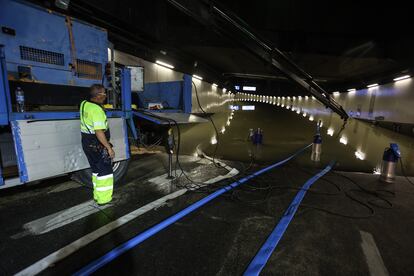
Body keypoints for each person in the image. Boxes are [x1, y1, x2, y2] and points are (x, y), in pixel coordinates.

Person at [80, 84, 115, 205]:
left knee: (96, 171)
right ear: (98, 95)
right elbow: (99, 131)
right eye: (104, 94)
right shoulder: (96, 110)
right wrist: (108, 147)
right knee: (105, 172)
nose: (105, 96)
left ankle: (97, 195)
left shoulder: (84, 104)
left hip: (87, 142)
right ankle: (104, 200)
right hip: (97, 144)